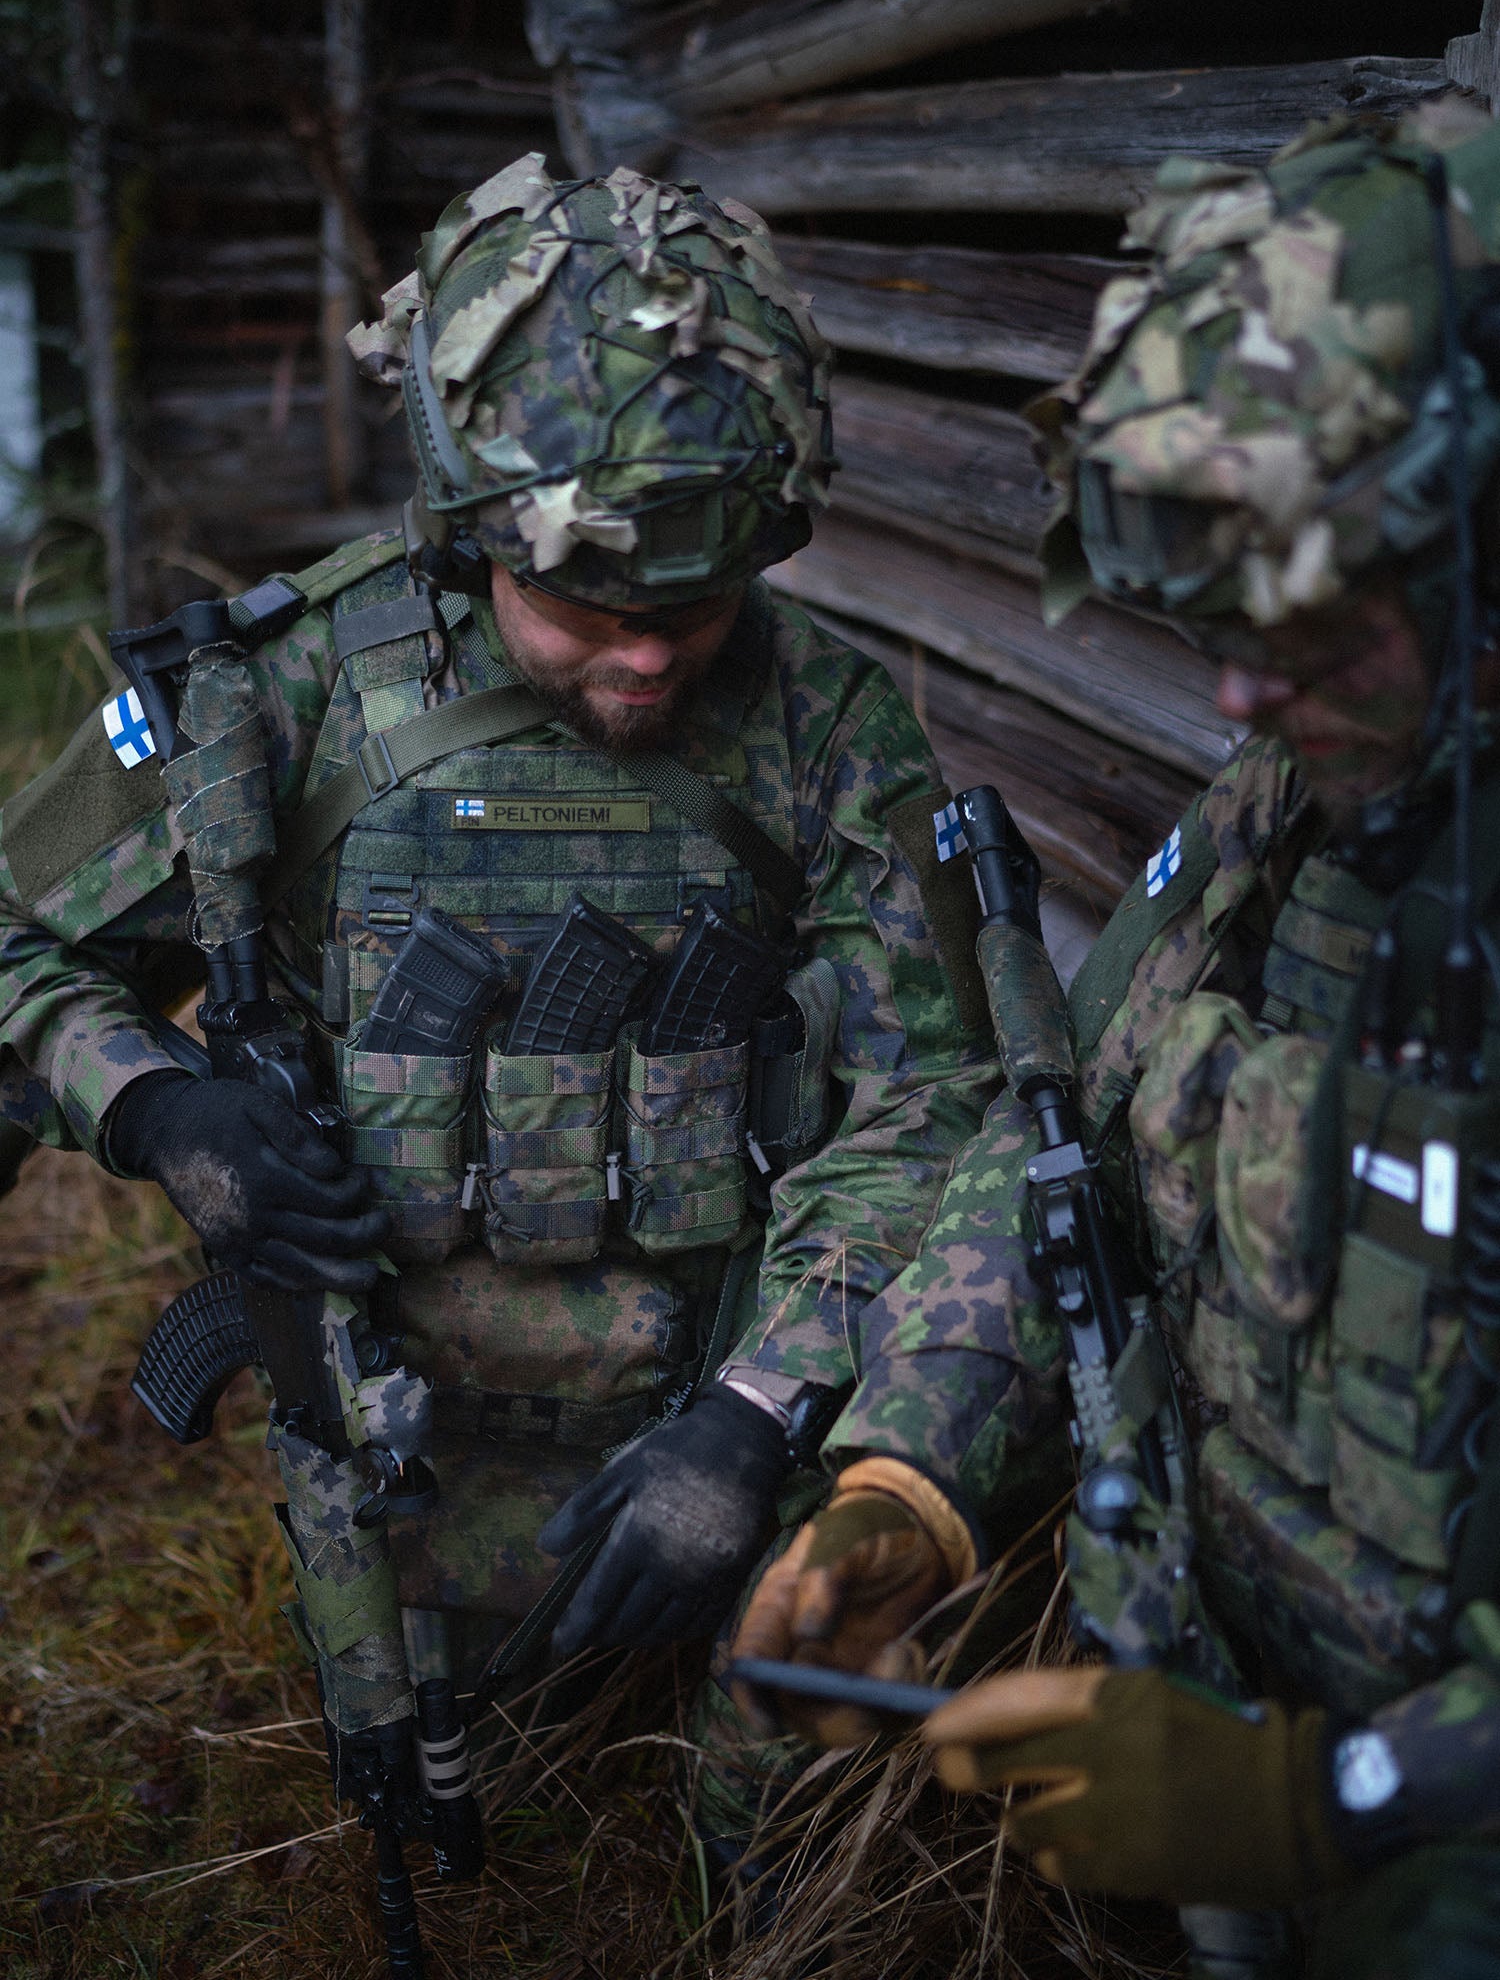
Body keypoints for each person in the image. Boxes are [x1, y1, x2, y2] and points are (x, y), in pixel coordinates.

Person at [0, 154, 1001, 1852]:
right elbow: (16, 938)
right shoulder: (289, 687)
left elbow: (935, 1105)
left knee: (778, 1808)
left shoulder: (828, 726)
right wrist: (159, 1106)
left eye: (692, 612)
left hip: (714, 1421)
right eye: (587, 613)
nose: (647, 664)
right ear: (470, 540)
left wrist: (757, 1420)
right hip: (397, 1458)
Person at [733, 99, 1500, 1975]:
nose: (1240, 686)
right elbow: (1072, 1133)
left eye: (1313, 618)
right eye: (1211, 615)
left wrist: (1348, 1800)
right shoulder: (1289, 805)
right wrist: (906, 1482)